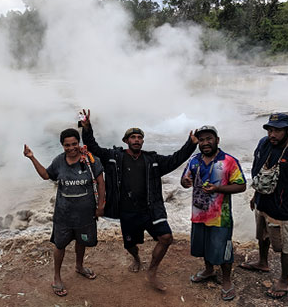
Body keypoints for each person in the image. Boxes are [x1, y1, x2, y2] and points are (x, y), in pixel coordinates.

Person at [79, 109, 198, 291]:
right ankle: (136, 258)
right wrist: (87, 127)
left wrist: (190, 144)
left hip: (151, 209)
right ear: (126, 141)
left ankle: (152, 271)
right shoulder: (114, 157)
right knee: (131, 244)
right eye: (132, 137)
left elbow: (176, 159)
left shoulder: (153, 160)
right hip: (127, 211)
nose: (136, 140)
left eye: (139, 137)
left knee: (166, 238)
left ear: (142, 141)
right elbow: (93, 148)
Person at [23, 128, 106, 297]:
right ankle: (57, 277)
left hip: (85, 214)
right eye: (67, 145)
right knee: (60, 245)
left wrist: (101, 206)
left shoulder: (91, 160)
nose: (71, 148)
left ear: (78, 143)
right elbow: (46, 175)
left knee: (81, 241)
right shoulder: (59, 161)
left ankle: (79, 266)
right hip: (63, 215)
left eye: (74, 144)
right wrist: (32, 157)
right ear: (62, 146)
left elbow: (100, 183)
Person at [240, 113, 288, 299]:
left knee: (284, 246)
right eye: (270, 129)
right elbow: (260, 173)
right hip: (262, 202)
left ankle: (285, 280)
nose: (272, 134)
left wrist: (281, 189)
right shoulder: (263, 144)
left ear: (287, 131)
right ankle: (263, 262)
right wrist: (256, 194)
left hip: (280, 208)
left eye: (277, 130)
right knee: (262, 234)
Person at [181, 125, 246, 301]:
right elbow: (184, 179)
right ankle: (209, 270)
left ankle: (226, 281)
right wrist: (185, 181)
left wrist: (218, 188)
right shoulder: (194, 160)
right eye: (201, 140)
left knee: (224, 248)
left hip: (220, 217)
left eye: (209, 138)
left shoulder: (228, 161)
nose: (205, 143)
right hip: (199, 214)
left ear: (217, 140)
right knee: (203, 245)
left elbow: (241, 185)